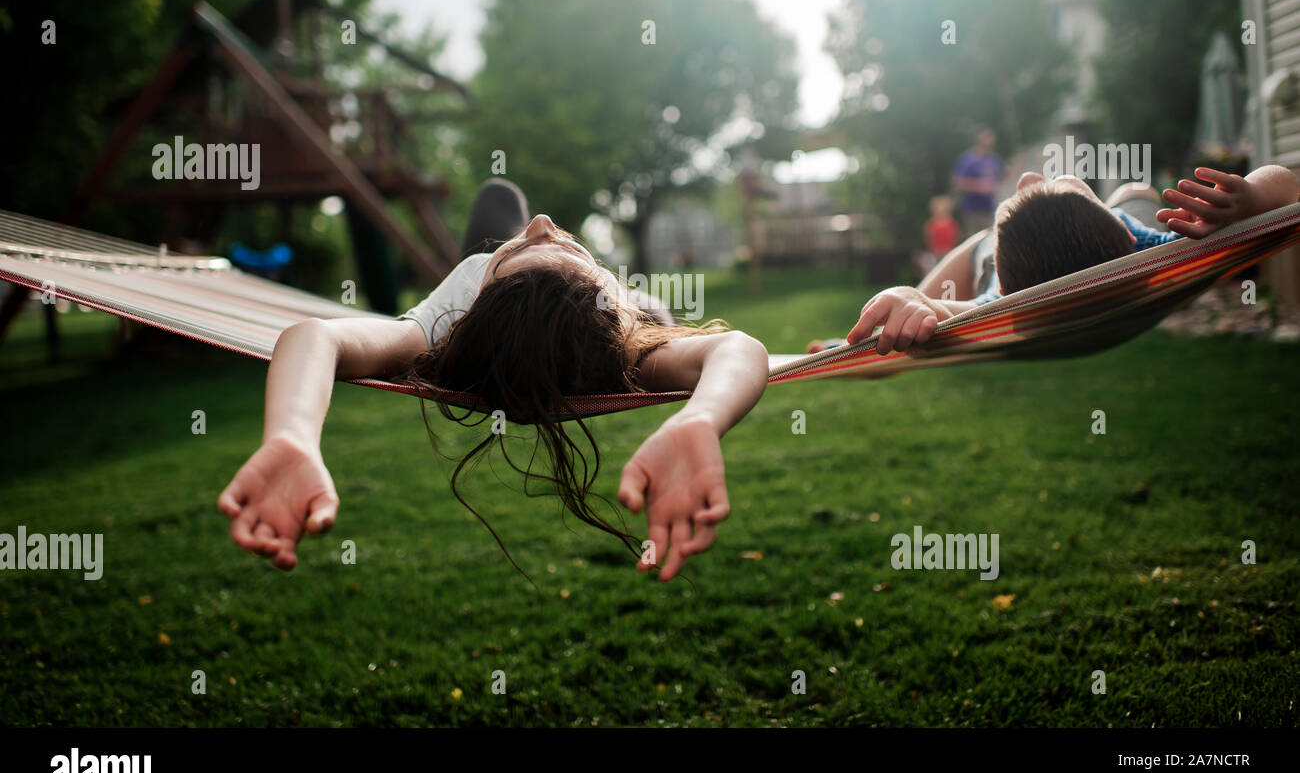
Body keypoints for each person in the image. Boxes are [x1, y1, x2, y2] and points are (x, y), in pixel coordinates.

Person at [217, 180, 769, 583]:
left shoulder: (444, 322)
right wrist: (699, 418)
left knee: (499, 202)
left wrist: (290, 436)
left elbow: (317, 336)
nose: (544, 223)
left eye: (544, 241)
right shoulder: (623, 341)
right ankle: (529, 263)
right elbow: (739, 348)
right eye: (557, 245)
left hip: (578, 306)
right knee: (513, 216)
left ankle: (515, 258)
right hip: (587, 311)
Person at [815, 165, 1299, 355]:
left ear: (1004, 294)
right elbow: (1291, 189)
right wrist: (1250, 201)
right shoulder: (1157, 252)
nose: (1028, 175)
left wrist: (914, 299)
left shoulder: (1000, 300)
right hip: (1124, 222)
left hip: (996, 250)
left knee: (967, 255)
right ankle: (1129, 195)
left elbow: (944, 311)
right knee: (1136, 194)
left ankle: (1129, 196)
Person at [952, 128, 1005, 236]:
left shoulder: (993, 159)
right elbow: (958, 183)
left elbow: (999, 177)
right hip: (973, 211)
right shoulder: (967, 160)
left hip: (990, 208)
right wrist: (979, 186)